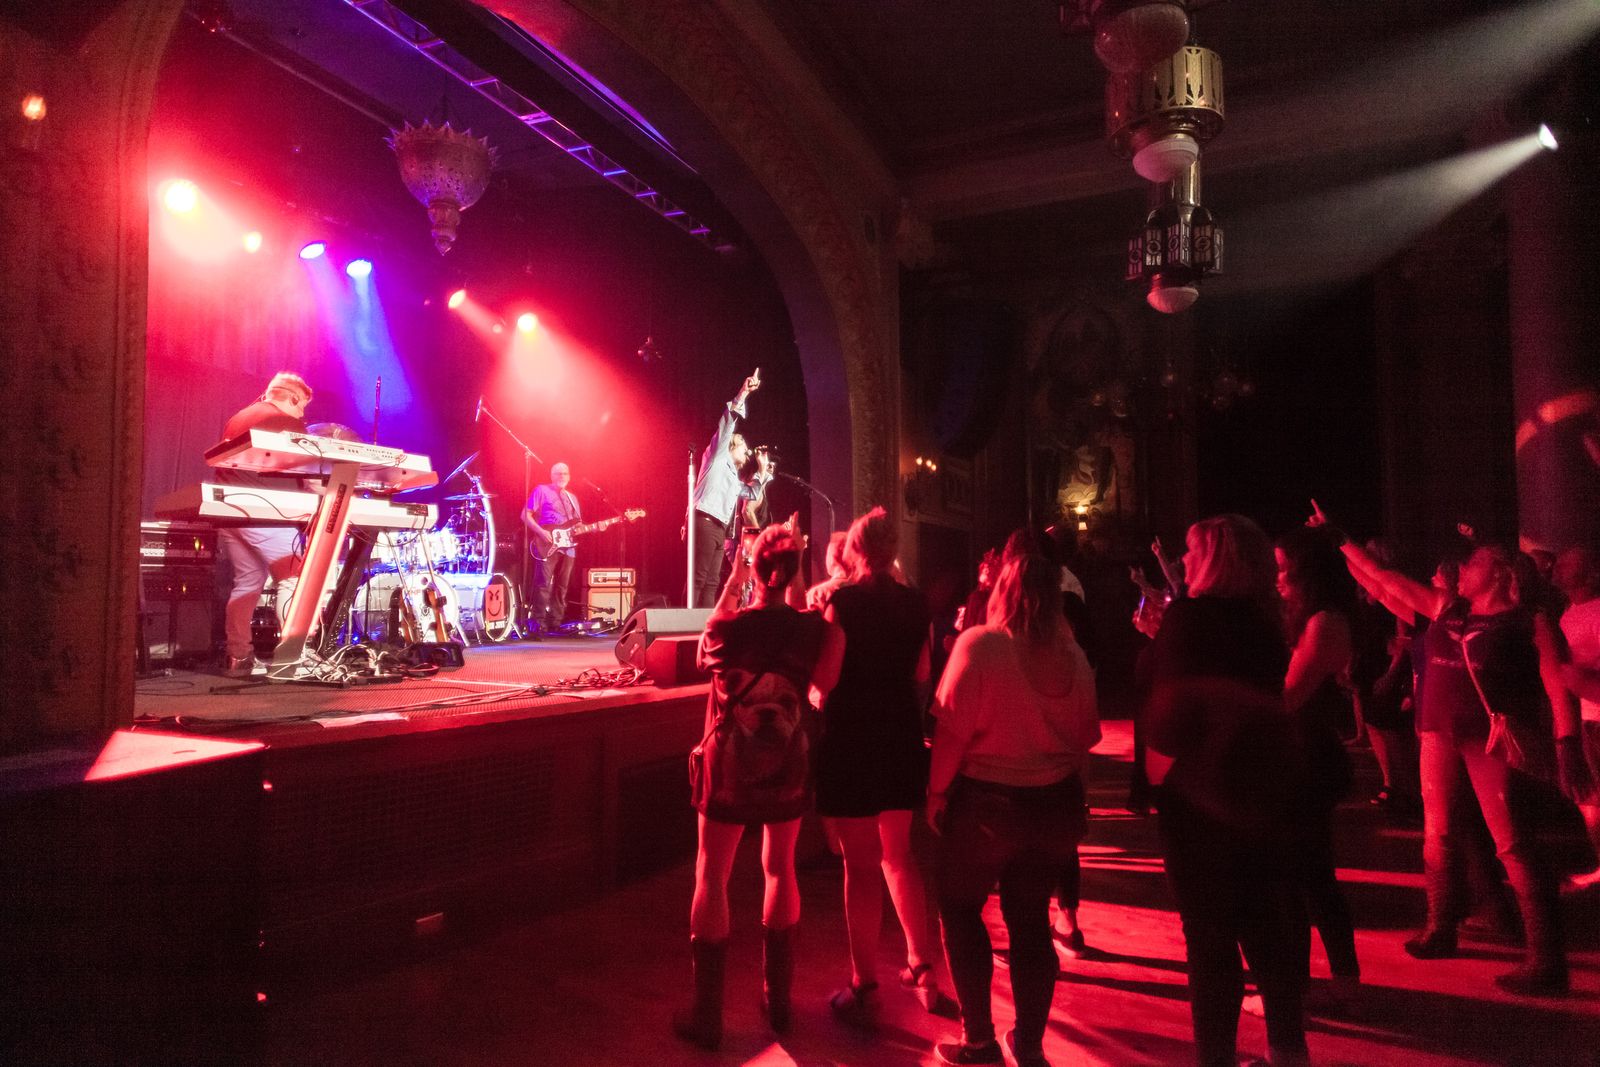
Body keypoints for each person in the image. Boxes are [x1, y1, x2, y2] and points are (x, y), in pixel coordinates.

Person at [1312, 502, 1568, 996]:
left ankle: (1545, 959)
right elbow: (1384, 578)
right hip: (1438, 732)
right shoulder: (1448, 609)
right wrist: (1339, 537)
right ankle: (1440, 927)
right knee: (1438, 832)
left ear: (1500, 573)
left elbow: (1557, 685)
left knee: (1512, 842)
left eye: (1475, 562)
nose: (1463, 567)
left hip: (1490, 739)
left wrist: (1567, 742)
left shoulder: (1527, 622)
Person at [1145, 514, 1311, 1067]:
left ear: (1215, 559)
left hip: (1201, 794)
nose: (1184, 561)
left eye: (1192, 551)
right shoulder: (1267, 620)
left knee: (1210, 936)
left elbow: (1171, 714)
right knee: (1267, 925)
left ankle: (1215, 1057)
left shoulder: (1190, 619)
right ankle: (1288, 1051)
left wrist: (1155, 779)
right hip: (1263, 783)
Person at [673, 523, 845, 1049]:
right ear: (793, 573)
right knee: (780, 868)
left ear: (755, 570)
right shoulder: (810, 629)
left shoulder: (729, 626)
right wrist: (795, 573)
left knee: (712, 873)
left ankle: (708, 1017)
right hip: (789, 764)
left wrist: (735, 577)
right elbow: (820, 668)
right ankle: (779, 1003)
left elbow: (705, 645)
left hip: (728, 770)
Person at [928, 551, 1100, 1067]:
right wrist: (1078, 803)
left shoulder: (980, 645)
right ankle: (1029, 1044)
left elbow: (950, 735)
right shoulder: (1073, 656)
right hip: (1053, 805)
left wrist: (936, 794)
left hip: (988, 805)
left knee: (960, 909)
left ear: (1004, 589)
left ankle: (979, 1041)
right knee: (1029, 922)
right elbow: (1083, 744)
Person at [813, 507, 952, 1027]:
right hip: (898, 738)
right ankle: (922, 968)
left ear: (855, 549)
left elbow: (827, 680)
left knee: (860, 865)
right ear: (893, 550)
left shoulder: (844, 603)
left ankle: (865, 985)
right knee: (900, 856)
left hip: (853, 739)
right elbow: (922, 671)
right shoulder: (916, 604)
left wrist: (814, 687)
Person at [1274, 528, 1361, 1002]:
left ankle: (1304, 990)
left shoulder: (1324, 622)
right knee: (1310, 878)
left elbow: (1288, 696)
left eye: (1284, 569)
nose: (1277, 579)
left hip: (1307, 760)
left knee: (1302, 880)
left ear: (1307, 574)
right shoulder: (1310, 619)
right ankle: (1337, 982)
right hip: (1303, 756)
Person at [216, 372, 313, 676]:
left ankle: (239, 658)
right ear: (292, 398)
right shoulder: (283, 420)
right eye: (302, 407)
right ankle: (294, 659)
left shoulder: (239, 417)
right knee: (294, 579)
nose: (302, 415)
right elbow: (311, 471)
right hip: (264, 512)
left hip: (229, 513)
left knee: (247, 582)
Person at [689, 370, 761, 607]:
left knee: (712, 582)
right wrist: (743, 394)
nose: (747, 453)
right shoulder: (718, 457)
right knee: (698, 578)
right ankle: (685, 622)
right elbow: (727, 424)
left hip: (720, 528)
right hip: (705, 521)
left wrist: (763, 471)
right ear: (732, 446)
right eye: (744, 449)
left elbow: (751, 493)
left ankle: (706, 623)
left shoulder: (732, 477)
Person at [1552, 544, 1600, 892]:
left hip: (1597, 713)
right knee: (1588, 799)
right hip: (1584, 717)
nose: (1558, 568)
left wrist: (1579, 676)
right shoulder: (1568, 612)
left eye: (1569, 564)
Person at [522, 461, 581, 638]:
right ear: (551, 475)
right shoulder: (542, 490)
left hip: (568, 546)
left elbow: (577, 524)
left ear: (569, 476)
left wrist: (592, 527)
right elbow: (525, 515)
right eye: (558, 473)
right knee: (543, 584)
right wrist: (541, 532)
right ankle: (537, 623)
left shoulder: (572, 498)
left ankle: (556, 622)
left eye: (565, 473)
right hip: (547, 543)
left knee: (562, 586)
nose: (562, 476)